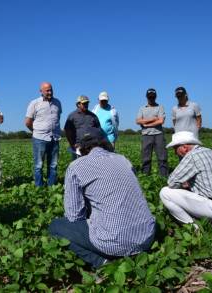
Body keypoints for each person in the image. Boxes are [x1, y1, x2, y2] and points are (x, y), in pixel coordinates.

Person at [49, 128, 155, 268]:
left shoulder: (76, 166)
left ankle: (101, 263)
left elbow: (74, 216)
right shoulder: (123, 159)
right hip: (147, 237)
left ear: (81, 149)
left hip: (114, 243)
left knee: (56, 226)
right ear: (105, 144)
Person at [159, 131, 212, 226]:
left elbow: (171, 182)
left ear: (185, 147)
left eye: (175, 148)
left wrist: (183, 185)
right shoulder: (210, 152)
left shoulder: (192, 156)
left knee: (165, 192)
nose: (175, 153)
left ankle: (194, 228)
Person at [25, 82, 62, 186]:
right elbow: (27, 122)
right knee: (38, 165)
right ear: (41, 91)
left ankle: (51, 187)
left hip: (54, 138)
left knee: (53, 165)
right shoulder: (34, 103)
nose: (50, 92)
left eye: (51, 90)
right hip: (39, 138)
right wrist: (35, 131)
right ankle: (39, 188)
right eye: (47, 90)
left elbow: (57, 118)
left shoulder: (57, 103)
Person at [136, 88, 169, 177]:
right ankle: (145, 176)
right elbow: (138, 121)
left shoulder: (160, 107)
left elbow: (161, 121)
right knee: (145, 158)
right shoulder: (142, 108)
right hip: (146, 135)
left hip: (158, 134)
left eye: (153, 97)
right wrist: (153, 119)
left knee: (162, 158)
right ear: (147, 97)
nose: (151, 99)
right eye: (150, 97)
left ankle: (164, 177)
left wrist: (146, 124)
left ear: (155, 97)